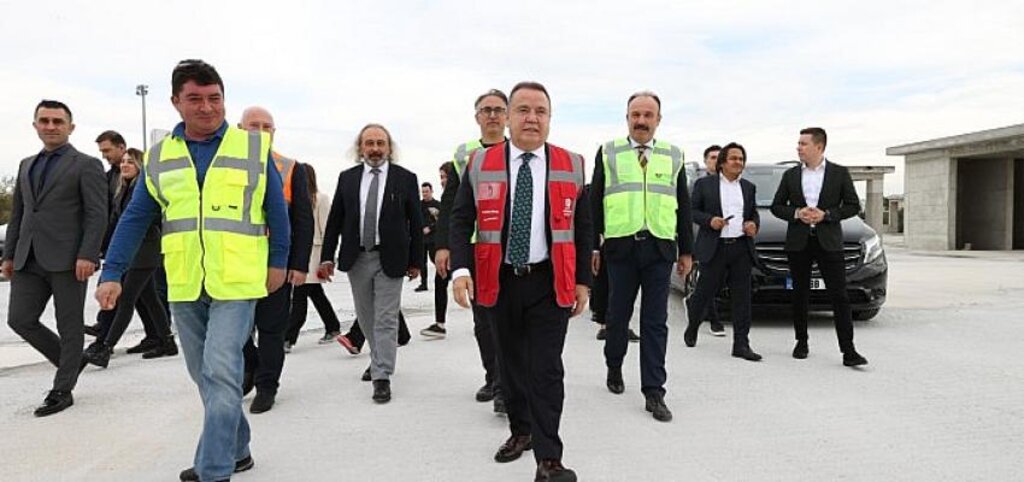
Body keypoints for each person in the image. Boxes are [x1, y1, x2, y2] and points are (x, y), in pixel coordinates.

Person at [95, 59, 291, 481]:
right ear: (175, 102)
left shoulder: (253, 148)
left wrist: (279, 262)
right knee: (203, 375)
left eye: (215, 98)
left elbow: (277, 210)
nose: (207, 108)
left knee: (221, 369)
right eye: (195, 99)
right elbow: (134, 218)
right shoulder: (161, 156)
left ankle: (214, 469)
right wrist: (112, 272)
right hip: (184, 281)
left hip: (237, 279)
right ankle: (237, 450)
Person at [451, 81, 591, 482]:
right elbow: (461, 219)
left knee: (547, 369)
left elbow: (583, 227)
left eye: (541, 111)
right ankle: (521, 431)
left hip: (549, 281)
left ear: (549, 118)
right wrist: (461, 270)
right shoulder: (480, 164)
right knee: (510, 367)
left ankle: (550, 459)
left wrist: (583, 281)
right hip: (499, 281)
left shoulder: (572, 163)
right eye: (523, 110)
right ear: (509, 117)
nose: (532, 118)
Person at [590, 91, 693, 422]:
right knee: (617, 315)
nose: (642, 121)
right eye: (636, 114)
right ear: (627, 118)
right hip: (621, 247)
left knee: (655, 321)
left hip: (659, 248)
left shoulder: (673, 155)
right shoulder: (609, 152)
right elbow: (594, 201)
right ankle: (614, 364)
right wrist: (593, 245)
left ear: (658, 120)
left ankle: (654, 391)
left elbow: (684, 204)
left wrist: (687, 250)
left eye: (648, 115)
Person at [3, 99, 107, 417]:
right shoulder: (25, 164)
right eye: (44, 121)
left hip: (68, 259)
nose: (50, 126)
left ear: (70, 127)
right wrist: (9, 255)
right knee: (19, 319)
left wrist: (88, 254)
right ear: (35, 125)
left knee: (70, 325)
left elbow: (97, 214)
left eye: (57, 121)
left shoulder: (86, 164)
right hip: (28, 258)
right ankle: (73, 361)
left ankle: (62, 389)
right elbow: (20, 214)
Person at [319, 123, 423, 404]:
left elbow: (416, 222)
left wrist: (416, 261)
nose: (375, 149)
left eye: (380, 143)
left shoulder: (405, 178)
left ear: (389, 148)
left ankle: (381, 375)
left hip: (391, 257)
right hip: (357, 257)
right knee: (366, 317)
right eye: (369, 143)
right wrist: (327, 256)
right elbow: (335, 222)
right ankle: (379, 359)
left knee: (386, 317)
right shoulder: (348, 178)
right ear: (360, 148)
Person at [430, 88, 510, 412]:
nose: (492, 115)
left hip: (508, 247)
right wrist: (443, 246)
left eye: (498, 110)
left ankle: (506, 386)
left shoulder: (518, 151)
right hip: (476, 249)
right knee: (483, 321)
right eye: (486, 110)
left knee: (506, 319)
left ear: (507, 116)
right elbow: (451, 205)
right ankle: (493, 377)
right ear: (477, 116)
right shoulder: (464, 154)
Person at [769, 127, 868, 367]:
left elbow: (853, 205)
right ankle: (801, 342)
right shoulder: (791, 175)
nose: (798, 147)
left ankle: (849, 351)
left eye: (803, 144)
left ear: (819, 147)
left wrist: (827, 215)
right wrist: (796, 213)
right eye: (799, 143)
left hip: (829, 242)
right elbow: (776, 206)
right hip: (799, 242)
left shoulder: (839, 173)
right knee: (800, 294)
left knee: (839, 296)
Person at [238, 106, 314, 414]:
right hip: (235, 263)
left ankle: (267, 385)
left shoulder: (290, 167)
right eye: (253, 125)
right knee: (238, 329)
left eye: (266, 126)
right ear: (240, 130)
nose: (260, 131)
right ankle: (249, 368)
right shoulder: (226, 164)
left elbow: (303, 220)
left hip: (275, 264)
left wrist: (297, 264)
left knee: (271, 328)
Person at [83, 148, 177, 368]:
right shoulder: (122, 189)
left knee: (126, 300)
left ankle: (105, 346)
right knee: (150, 298)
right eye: (123, 162)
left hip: (145, 252)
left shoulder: (142, 190)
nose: (124, 165)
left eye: (130, 162)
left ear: (140, 166)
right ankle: (167, 341)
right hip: (135, 253)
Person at [683, 142, 762, 361]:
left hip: (740, 248)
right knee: (703, 293)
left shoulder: (748, 187)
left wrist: (753, 224)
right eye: (734, 158)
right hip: (715, 248)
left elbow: (753, 214)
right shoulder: (704, 184)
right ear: (722, 163)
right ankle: (693, 325)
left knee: (742, 298)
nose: (738, 162)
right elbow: (692, 210)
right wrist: (710, 221)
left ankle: (741, 344)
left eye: (741, 159)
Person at [285, 163, 343, 347]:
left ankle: (288, 337)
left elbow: (327, 228)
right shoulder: (295, 199)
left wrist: (328, 257)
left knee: (301, 295)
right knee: (315, 294)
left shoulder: (321, 199)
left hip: (315, 253)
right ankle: (333, 327)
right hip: (301, 252)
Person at [697, 144, 727, 337]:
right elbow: (692, 211)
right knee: (708, 280)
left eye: (719, 157)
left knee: (720, 281)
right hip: (707, 239)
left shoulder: (732, 184)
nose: (716, 161)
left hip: (730, 241)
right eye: (713, 157)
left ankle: (694, 303)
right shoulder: (700, 185)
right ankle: (714, 320)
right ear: (706, 161)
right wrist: (710, 221)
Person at [415, 181, 441, 293]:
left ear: (431, 191)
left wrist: (430, 228)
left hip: (433, 237)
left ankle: (442, 278)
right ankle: (423, 283)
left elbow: (442, 221)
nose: (425, 194)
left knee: (435, 259)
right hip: (421, 238)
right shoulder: (418, 206)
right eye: (423, 192)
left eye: (427, 191)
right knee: (422, 261)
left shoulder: (438, 205)